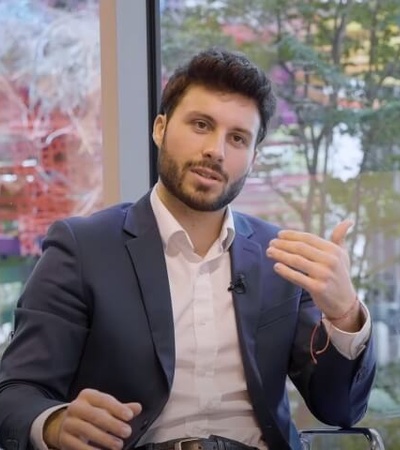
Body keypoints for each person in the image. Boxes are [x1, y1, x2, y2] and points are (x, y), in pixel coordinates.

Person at [0, 47, 375, 450]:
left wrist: (344, 314)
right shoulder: (83, 248)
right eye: (200, 125)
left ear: (252, 159)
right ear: (160, 128)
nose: (216, 150)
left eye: (237, 138)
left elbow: (340, 410)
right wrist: (55, 423)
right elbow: (15, 391)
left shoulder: (280, 256)